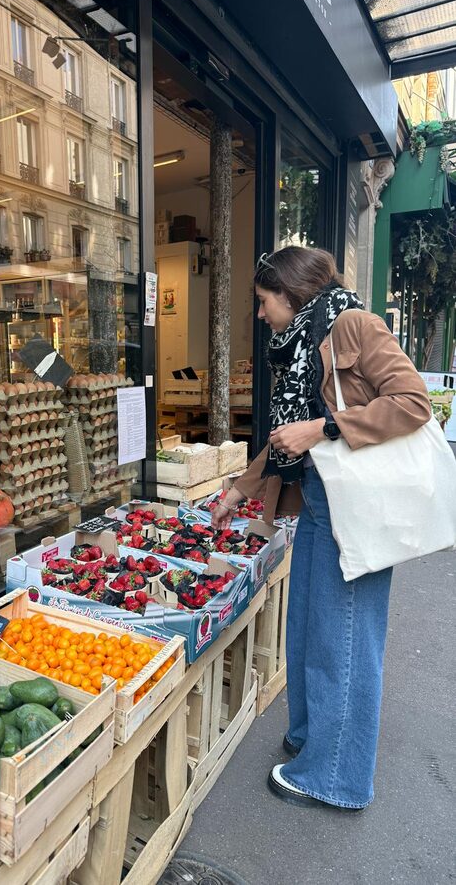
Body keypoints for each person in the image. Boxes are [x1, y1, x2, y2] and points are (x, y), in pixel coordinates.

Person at [212, 246, 432, 811]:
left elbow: (413, 402)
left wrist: (326, 428)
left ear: (290, 294)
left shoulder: (354, 323)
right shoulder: (302, 344)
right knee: (310, 626)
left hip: (354, 506)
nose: (260, 316)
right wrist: (239, 490)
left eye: (263, 303)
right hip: (318, 501)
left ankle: (337, 777)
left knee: (347, 639)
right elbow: (289, 437)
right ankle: (315, 737)